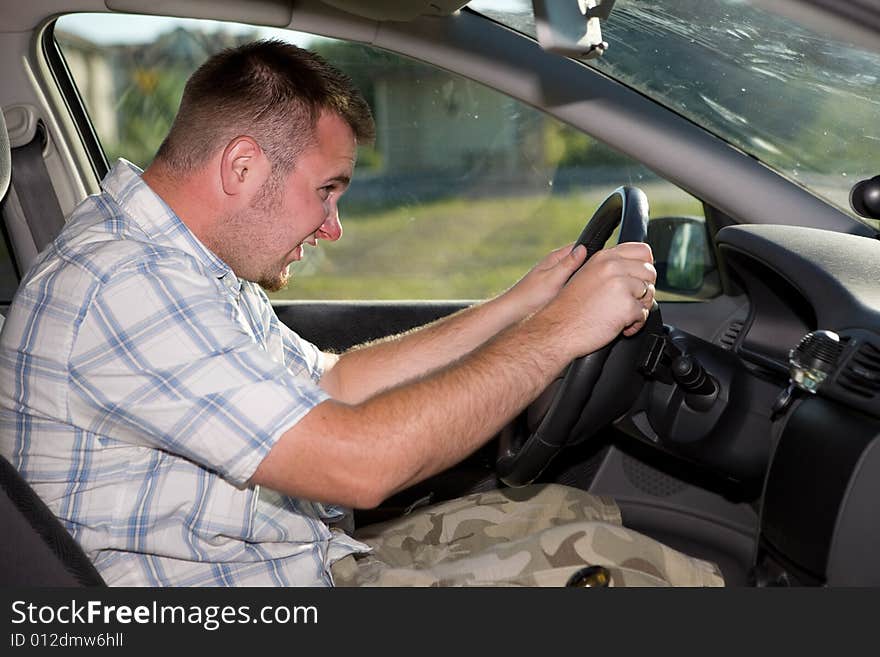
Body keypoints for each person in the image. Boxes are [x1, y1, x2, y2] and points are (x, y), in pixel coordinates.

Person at [0, 40, 722, 587]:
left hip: (300, 560)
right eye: (327, 190)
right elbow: (360, 464)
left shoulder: (187, 261)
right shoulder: (122, 284)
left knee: (573, 515)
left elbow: (335, 385)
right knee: (624, 574)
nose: (334, 226)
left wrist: (518, 306)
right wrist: (560, 333)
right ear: (243, 168)